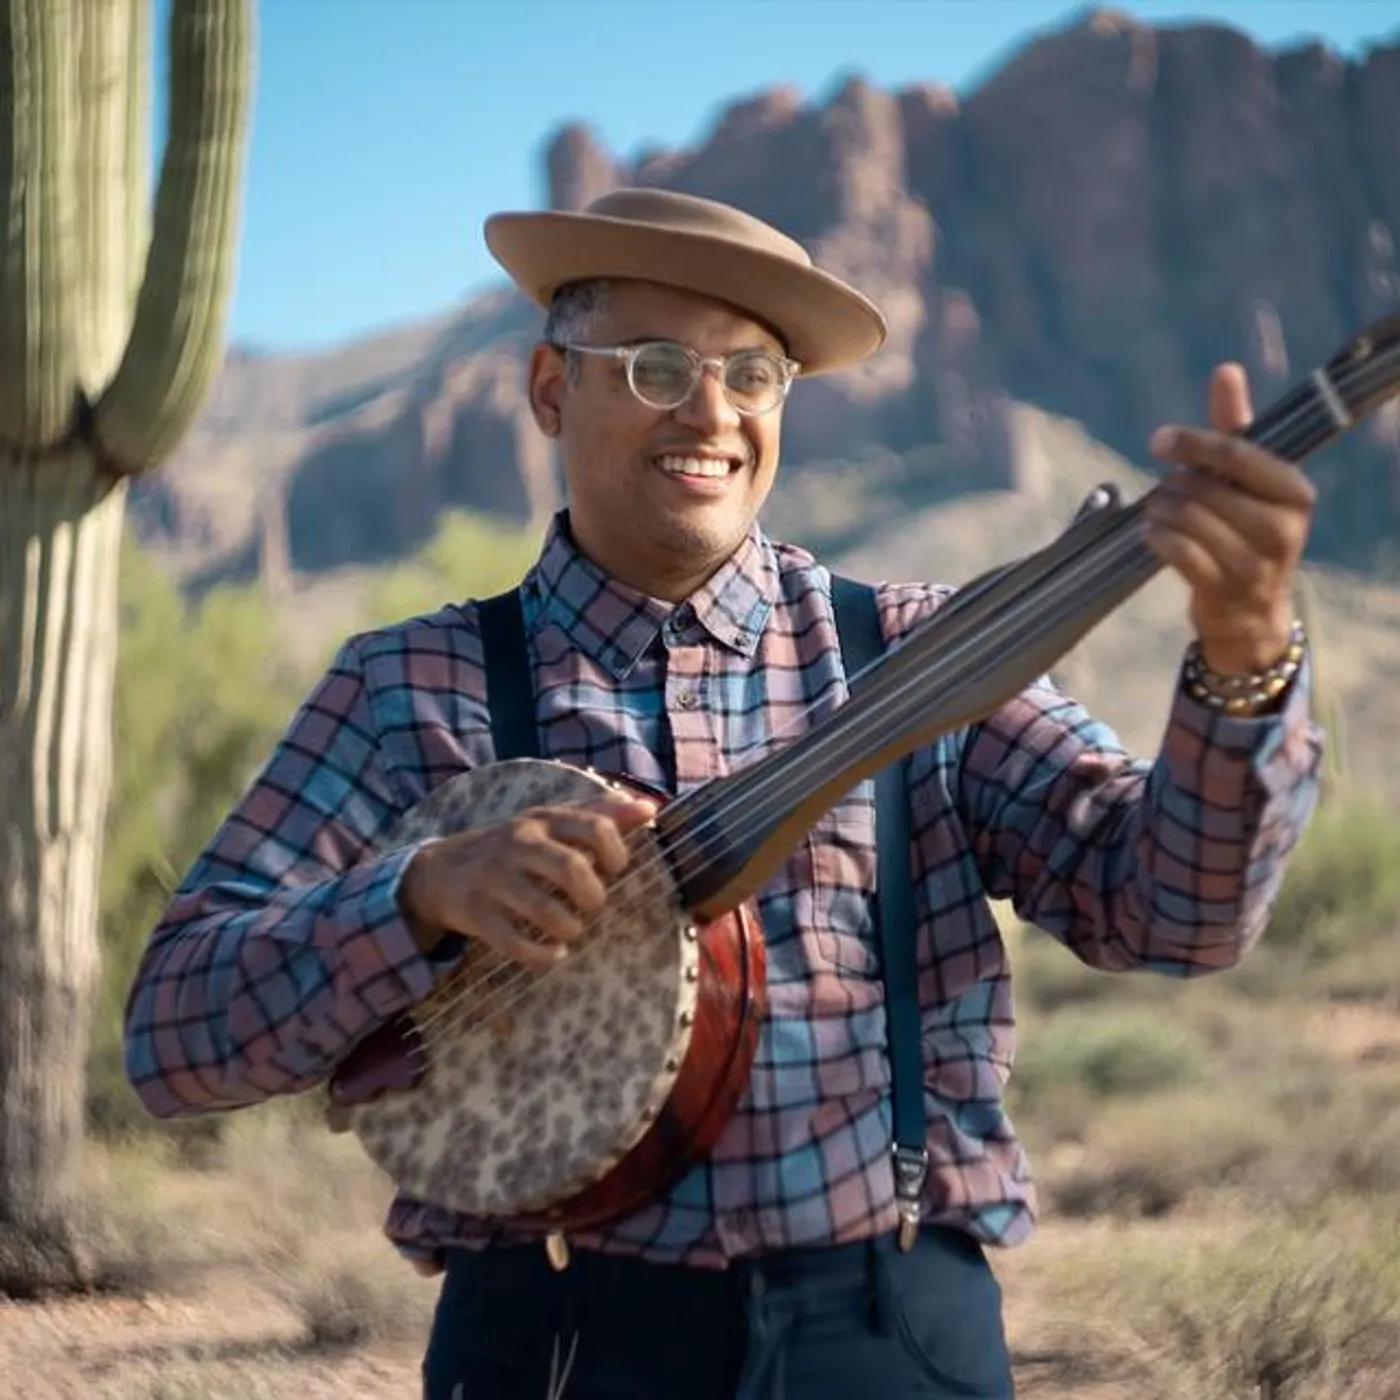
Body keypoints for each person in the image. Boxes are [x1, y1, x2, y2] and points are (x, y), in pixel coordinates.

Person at [123, 188, 1323, 1399]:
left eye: (753, 374)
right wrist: (418, 896)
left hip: (888, 1332)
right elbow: (173, 1036)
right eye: (655, 367)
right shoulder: (405, 687)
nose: (712, 411)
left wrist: (1241, 660)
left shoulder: (920, 651)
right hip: (551, 1345)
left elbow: (1175, 914)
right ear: (549, 388)